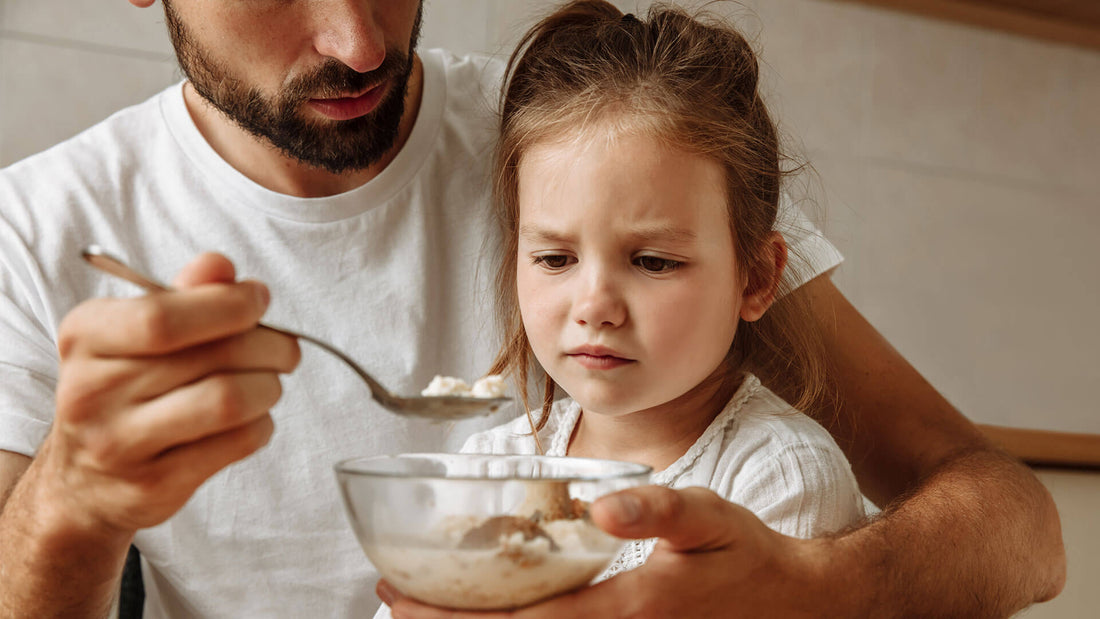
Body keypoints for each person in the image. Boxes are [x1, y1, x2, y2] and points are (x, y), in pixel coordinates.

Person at [0, 0, 1063, 617]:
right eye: (547, 255)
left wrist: (820, 587)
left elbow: (1019, 529)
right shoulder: (36, 227)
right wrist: (68, 510)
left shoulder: (582, 131)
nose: (360, 42)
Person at [372, 4, 868, 616]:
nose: (595, 307)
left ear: (757, 277)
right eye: (555, 259)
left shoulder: (780, 477)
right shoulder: (491, 469)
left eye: (654, 262)